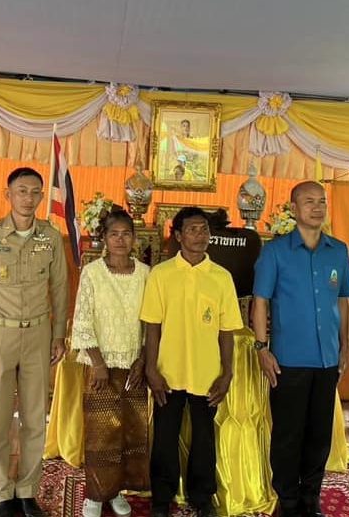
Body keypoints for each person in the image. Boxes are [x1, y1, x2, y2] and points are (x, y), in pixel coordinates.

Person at [0, 167, 68, 517]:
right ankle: (1, 492)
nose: (28, 198)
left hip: (38, 333)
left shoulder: (50, 237)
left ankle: (27, 490)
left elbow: (60, 288)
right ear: (7, 194)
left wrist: (59, 334)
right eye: (21, 191)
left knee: (35, 416)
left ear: (41, 196)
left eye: (35, 191)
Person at [251, 180, 349, 517]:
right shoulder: (275, 251)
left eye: (321, 201)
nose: (317, 207)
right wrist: (262, 348)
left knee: (319, 435)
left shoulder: (338, 250)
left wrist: (345, 346)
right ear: (293, 208)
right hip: (288, 360)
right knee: (288, 434)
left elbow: (343, 301)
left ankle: (310, 499)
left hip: (327, 359)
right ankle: (288, 500)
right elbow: (260, 302)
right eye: (308, 201)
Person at [141, 206, 242, 517]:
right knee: (165, 437)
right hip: (168, 372)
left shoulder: (221, 277)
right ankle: (162, 498)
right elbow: (152, 327)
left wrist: (227, 372)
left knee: (204, 438)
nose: (200, 235)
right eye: (193, 229)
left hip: (207, 373)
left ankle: (202, 497)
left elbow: (227, 331)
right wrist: (151, 368)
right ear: (178, 235)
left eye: (204, 229)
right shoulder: (161, 274)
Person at [70, 207, 150, 517]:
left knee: (130, 432)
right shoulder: (92, 273)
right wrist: (99, 364)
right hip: (101, 367)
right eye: (114, 234)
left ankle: (116, 490)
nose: (120, 240)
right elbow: (83, 320)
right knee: (101, 433)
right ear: (104, 237)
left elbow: (151, 322)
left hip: (134, 368)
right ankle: (95, 494)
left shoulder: (145, 274)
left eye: (126, 234)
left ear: (134, 238)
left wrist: (142, 360)